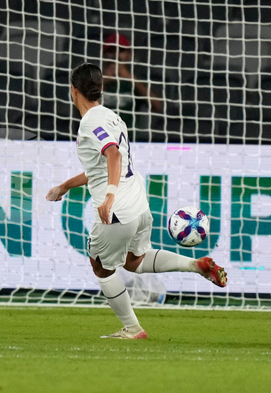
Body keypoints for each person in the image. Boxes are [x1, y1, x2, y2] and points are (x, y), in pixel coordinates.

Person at [46, 63, 227, 339]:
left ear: (73, 90)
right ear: (101, 88)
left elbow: (114, 156)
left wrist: (109, 195)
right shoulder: (113, 117)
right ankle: (194, 265)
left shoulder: (90, 122)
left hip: (117, 208)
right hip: (139, 204)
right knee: (133, 261)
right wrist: (65, 186)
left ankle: (132, 328)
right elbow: (101, 166)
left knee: (101, 267)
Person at [101, 32, 163, 132]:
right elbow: (80, 106)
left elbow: (158, 106)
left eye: (121, 50)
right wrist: (104, 81)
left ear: (129, 55)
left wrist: (130, 78)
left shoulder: (136, 81)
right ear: (104, 55)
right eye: (111, 50)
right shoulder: (93, 81)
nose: (116, 54)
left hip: (130, 139)